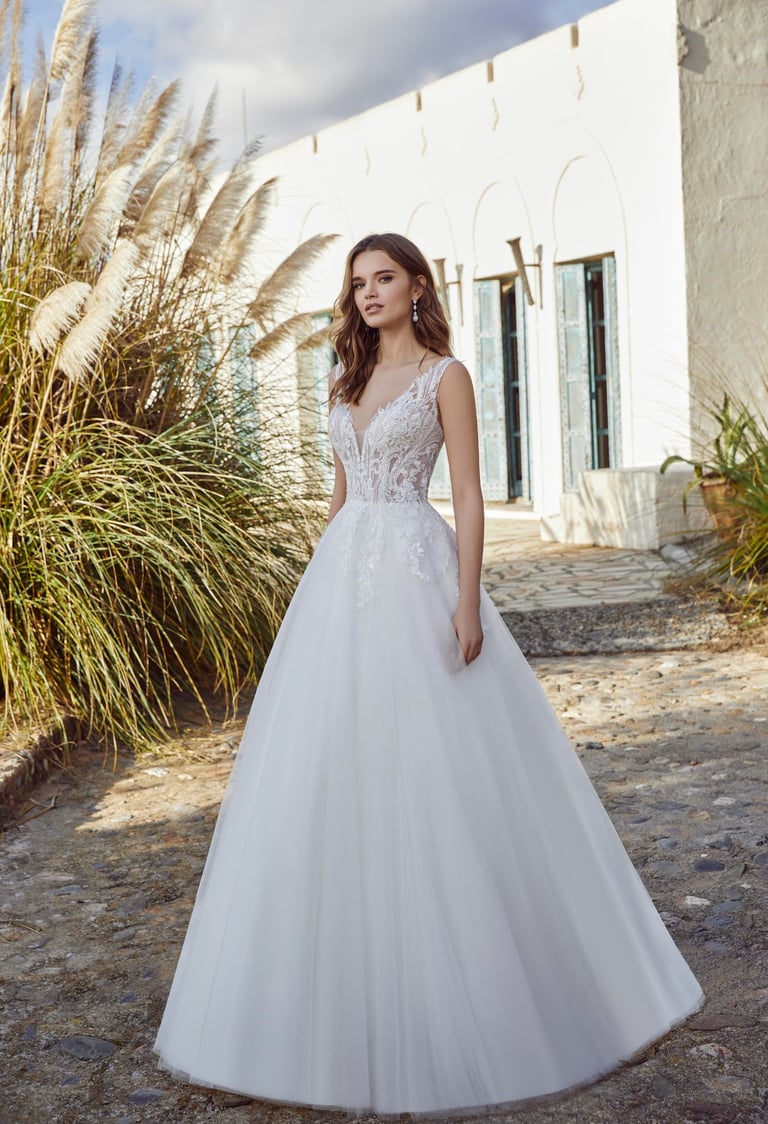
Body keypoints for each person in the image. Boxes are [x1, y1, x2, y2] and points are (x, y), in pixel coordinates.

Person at [154, 233, 703, 1116]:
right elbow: (338, 500)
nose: (369, 294)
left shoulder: (446, 377)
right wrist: (309, 591)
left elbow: (473, 495)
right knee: (324, 773)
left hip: (417, 569)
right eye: (359, 283)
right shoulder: (345, 379)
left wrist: (469, 598)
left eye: (385, 279)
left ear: (417, 287)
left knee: (437, 770)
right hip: (342, 581)